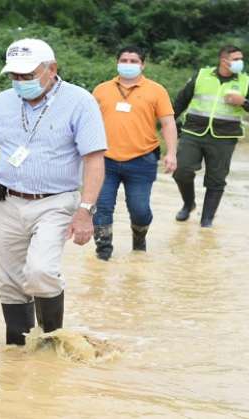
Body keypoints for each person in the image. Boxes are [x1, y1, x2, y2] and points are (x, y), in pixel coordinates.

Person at [0, 39, 107, 346]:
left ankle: (51, 341)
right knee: (10, 281)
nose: (20, 82)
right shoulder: (1, 102)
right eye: (14, 76)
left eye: (28, 75)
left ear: (52, 69)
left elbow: (94, 160)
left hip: (55, 203)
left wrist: (85, 210)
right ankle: (17, 348)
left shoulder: (80, 101)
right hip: (6, 201)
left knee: (41, 271)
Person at [91, 46, 178, 260]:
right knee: (101, 208)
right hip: (105, 160)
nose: (128, 64)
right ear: (117, 62)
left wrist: (172, 153)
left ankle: (139, 241)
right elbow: (88, 123)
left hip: (142, 160)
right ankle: (103, 254)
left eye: (133, 61)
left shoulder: (156, 90)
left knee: (139, 209)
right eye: (124, 60)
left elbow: (167, 123)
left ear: (143, 64)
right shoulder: (101, 90)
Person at [172, 45, 249, 227]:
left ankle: (206, 220)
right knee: (181, 171)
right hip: (193, 132)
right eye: (236, 59)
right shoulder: (201, 75)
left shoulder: (246, 81)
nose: (240, 62)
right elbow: (181, 101)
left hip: (224, 137)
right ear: (224, 61)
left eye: (241, 59)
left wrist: (243, 102)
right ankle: (188, 204)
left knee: (216, 179)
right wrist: (168, 124)